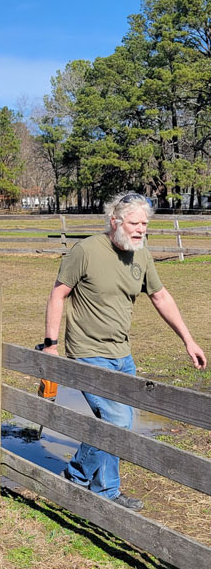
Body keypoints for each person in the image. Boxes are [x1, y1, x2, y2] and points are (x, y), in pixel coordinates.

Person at [44, 192, 206, 510]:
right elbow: (58, 295)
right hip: (88, 351)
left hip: (123, 354)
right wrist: (51, 344)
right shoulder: (87, 250)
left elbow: (160, 297)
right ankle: (77, 477)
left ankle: (104, 490)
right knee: (117, 421)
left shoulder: (141, 255)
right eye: (134, 223)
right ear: (115, 221)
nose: (140, 229)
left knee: (119, 423)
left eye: (145, 223)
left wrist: (188, 339)